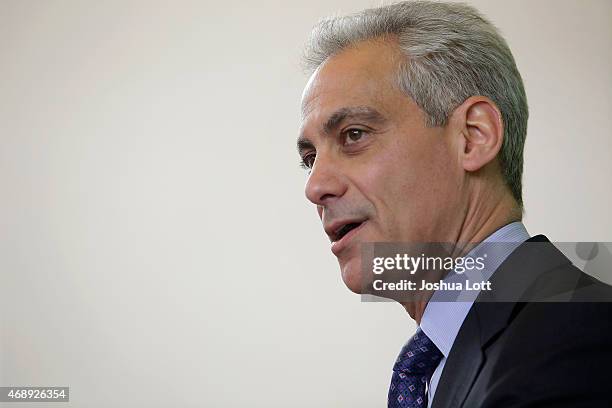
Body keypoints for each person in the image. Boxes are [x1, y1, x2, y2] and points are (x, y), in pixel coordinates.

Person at [296, 1, 612, 407]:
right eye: (309, 160)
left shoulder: (577, 341)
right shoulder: (452, 360)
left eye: (354, 135)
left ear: (473, 136)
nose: (316, 186)